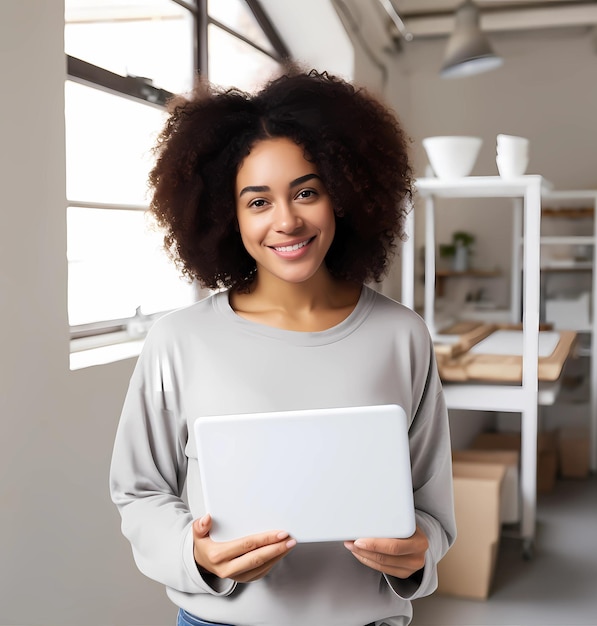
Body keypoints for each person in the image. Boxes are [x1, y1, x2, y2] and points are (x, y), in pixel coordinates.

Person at [110, 67, 456, 626]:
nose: (287, 221)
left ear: (343, 195)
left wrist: (419, 554)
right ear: (227, 216)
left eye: (306, 192)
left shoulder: (401, 335)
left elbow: (433, 509)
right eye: (258, 201)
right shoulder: (180, 340)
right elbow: (139, 490)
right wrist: (194, 554)